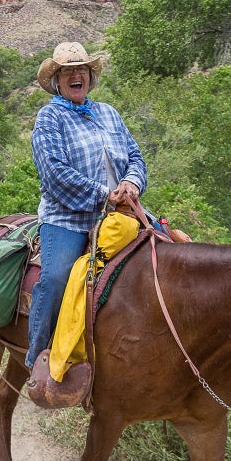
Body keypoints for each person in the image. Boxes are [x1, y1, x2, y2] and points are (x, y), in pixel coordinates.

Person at [25, 42, 147, 372]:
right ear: (57, 80)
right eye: (67, 71)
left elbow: (135, 156)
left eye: (82, 69)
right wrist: (103, 194)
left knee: (171, 249)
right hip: (67, 217)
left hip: (122, 213)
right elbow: (53, 172)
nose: (76, 75)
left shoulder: (109, 113)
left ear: (90, 77)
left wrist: (131, 183)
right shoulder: (49, 117)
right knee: (55, 279)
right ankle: (36, 360)